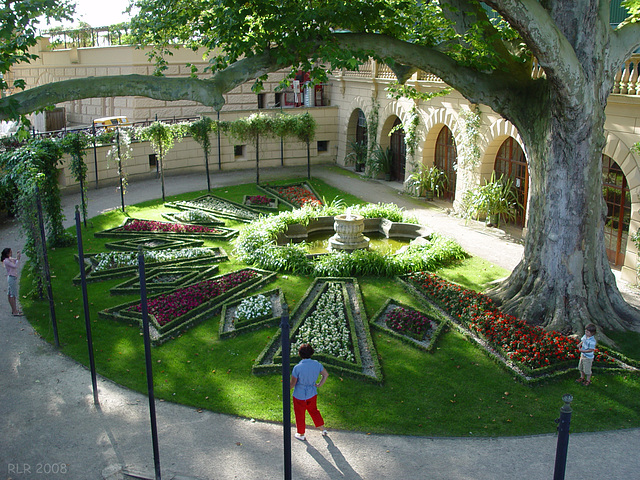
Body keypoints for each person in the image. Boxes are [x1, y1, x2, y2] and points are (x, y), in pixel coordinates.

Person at [290, 343, 329, 441]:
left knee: (300, 414)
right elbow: (326, 375)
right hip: (312, 393)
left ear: (300, 354)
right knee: (314, 410)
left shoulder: (297, 367)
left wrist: (286, 390)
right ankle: (322, 429)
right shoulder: (317, 364)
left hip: (299, 395)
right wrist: (319, 384)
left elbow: (293, 383)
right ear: (311, 353)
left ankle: (301, 433)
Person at [2, 247, 23, 316]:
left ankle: (14, 310)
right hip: (11, 278)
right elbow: (15, 266)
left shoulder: (9, 259)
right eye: (10, 252)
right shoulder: (6, 261)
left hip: (12, 277)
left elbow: (15, 260)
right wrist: (18, 259)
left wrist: (18, 257)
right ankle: (14, 311)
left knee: (10, 293)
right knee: (12, 294)